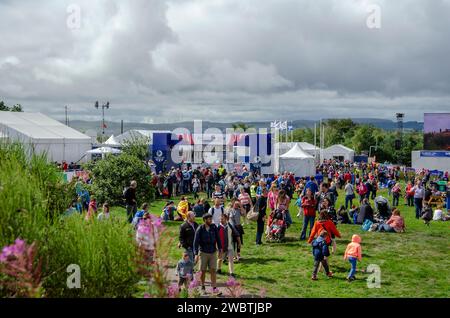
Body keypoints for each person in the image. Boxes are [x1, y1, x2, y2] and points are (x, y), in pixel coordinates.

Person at [193, 213, 222, 295]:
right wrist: (196, 254)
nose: (211, 220)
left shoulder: (214, 227)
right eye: (209, 219)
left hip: (213, 252)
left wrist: (220, 249)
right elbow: (195, 242)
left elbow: (218, 239)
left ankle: (214, 288)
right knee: (202, 271)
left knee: (213, 270)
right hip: (203, 252)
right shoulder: (200, 229)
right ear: (205, 220)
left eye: (211, 219)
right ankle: (202, 287)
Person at [217, 213, 241, 277]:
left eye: (222, 219)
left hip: (229, 246)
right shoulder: (218, 227)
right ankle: (218, 269)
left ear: (226, 219)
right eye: (220, 219)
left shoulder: (230, 226)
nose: (221, 220)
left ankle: (231, 273)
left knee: (231, 260)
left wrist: (239, 243)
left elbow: (237, 234)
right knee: (220, 259)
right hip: (221, 247)